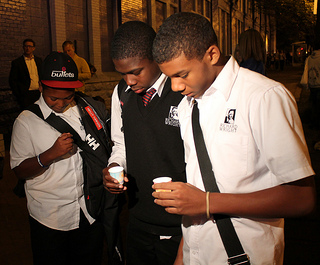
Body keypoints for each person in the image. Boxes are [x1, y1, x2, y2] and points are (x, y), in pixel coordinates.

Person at [152, 12, 316, 265]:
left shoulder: (264, 97)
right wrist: (182, 255)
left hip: (246, 256)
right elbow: (202, 180)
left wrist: (206, 202)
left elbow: (301, 199)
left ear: (212, 54)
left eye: (182, 74)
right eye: (169, 77)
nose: (175, 87)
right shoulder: (188, 105)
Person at [10, 52, 112, 265]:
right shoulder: (26, 121)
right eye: (53, 98)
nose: (60, 104)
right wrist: (49, 155)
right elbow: (19, 170)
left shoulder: (85, 109)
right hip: (50, 217)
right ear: (41, 88)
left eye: (67, 97)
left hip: (88, 210)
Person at [103, 21, 186, 265]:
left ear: (156, 59)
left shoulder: (183, 90)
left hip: (182, 224)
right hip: (138, 218)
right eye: (122, 73)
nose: (129, 80)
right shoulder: (120, 93)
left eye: (136, 71)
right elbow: (121, 143)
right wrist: (113, 167)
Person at [9, 38, 42, 110]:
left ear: (33, 48)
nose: (28, 48)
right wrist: (19, 94)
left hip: (38, 93)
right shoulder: (17, 62)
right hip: (25, 94)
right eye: (26, 46)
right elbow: (12, 80)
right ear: (23, 47)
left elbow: (42, 75)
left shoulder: (39, 61)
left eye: (30, 46)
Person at [300, 41, 320, 148]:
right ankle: (317, 123)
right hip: (319, 85)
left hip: (312, 85)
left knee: (313, 104)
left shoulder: (310, 58)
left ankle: (313, 122)